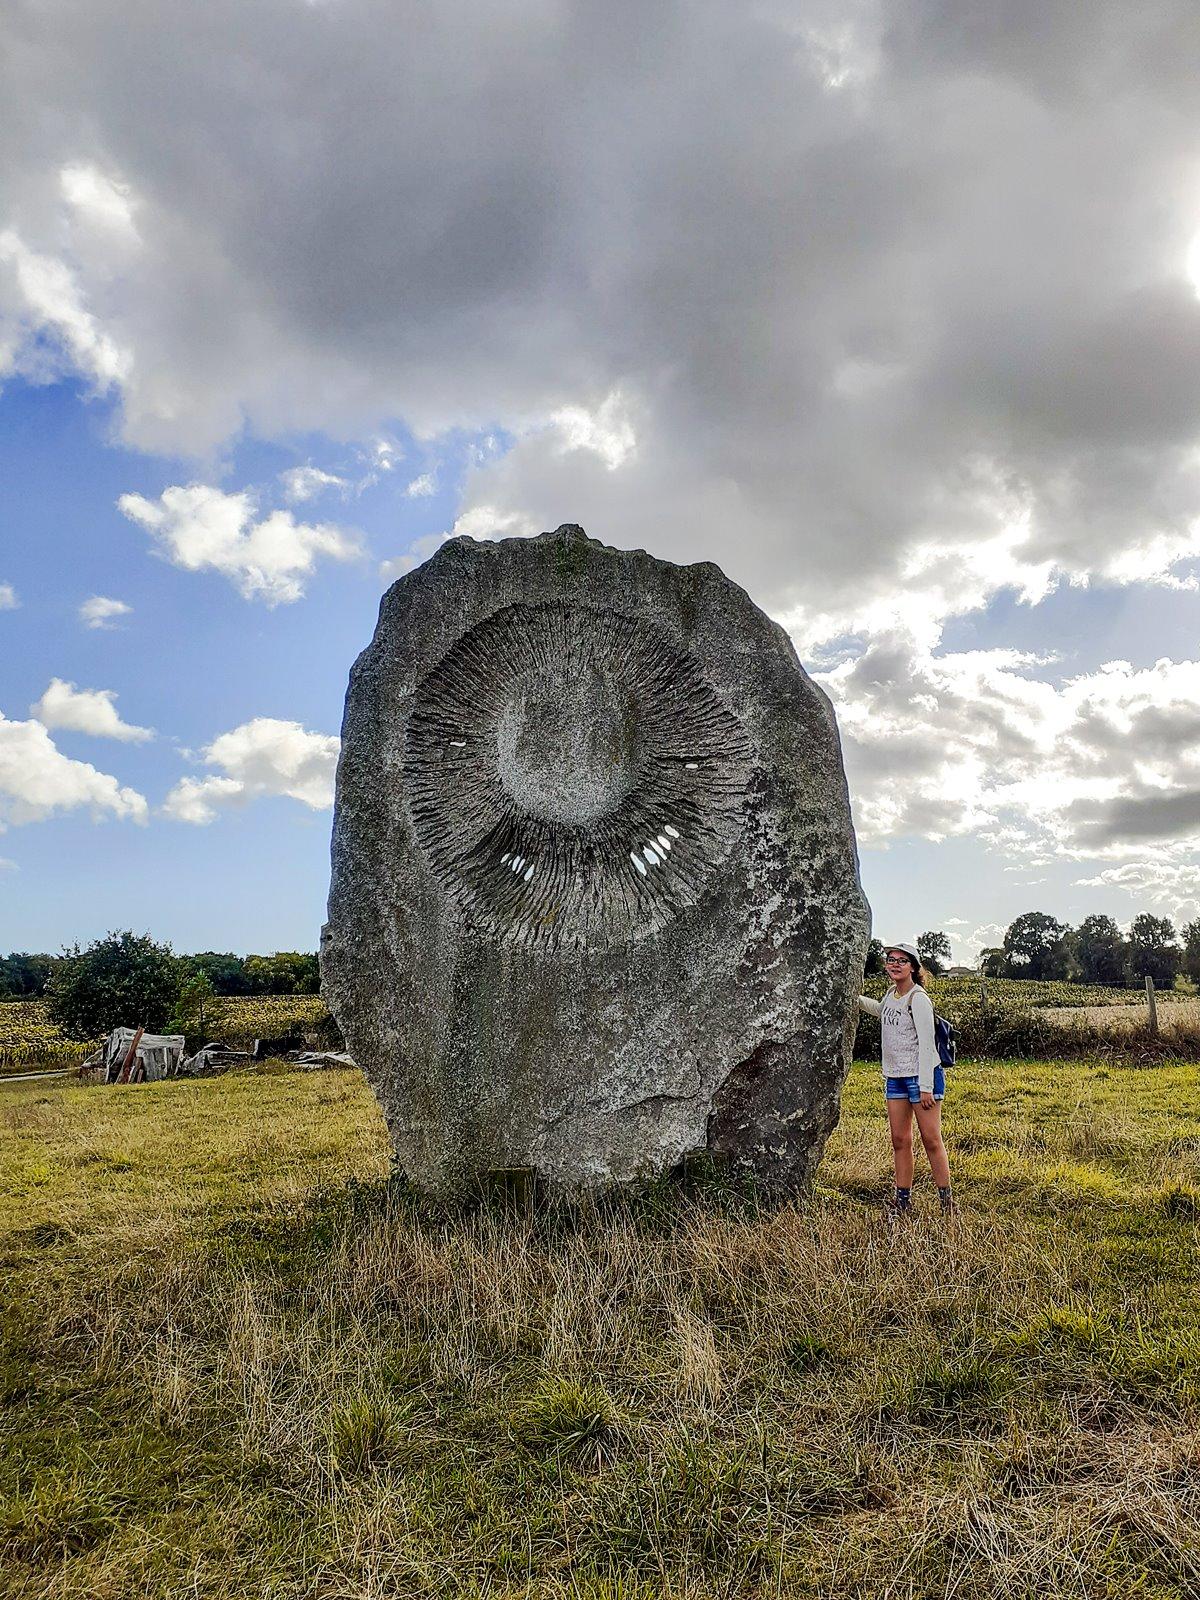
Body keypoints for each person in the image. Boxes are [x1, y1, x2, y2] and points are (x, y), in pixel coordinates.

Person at [858, 942, 954, 1217]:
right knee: (900, 1140)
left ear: (913, 966)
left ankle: (946, 1203)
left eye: (902, 960)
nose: (895, 964)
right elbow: (881, 1011)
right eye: (891, 960)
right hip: (895, 1077)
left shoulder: (919, 998)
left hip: (921, 1078)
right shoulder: (891, 995)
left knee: (931, 1139)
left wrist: (926, 1088)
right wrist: (854, 999)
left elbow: (927, 1045)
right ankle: (902, 1201)